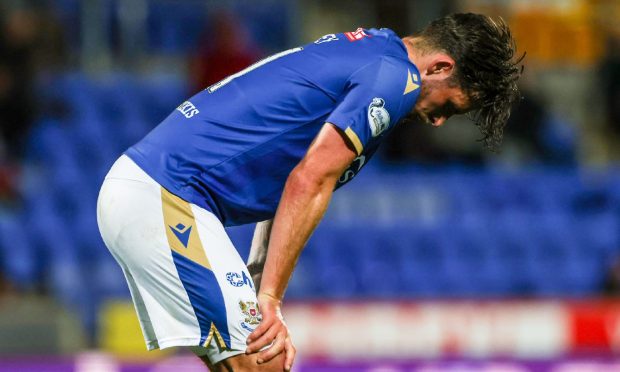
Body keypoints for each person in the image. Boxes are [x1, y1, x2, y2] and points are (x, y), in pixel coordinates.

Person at [97, 13, 523, 371]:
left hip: (159, 194)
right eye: (449, 106)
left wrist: (261, 275)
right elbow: (310, 180)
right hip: (166, 194)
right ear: (440, 67)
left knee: (261, 362)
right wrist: (270, 299)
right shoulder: (396, 78)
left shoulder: (376, 50)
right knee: (263, 357)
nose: (438, 122)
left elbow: (289, 170)